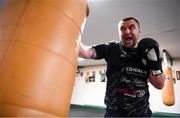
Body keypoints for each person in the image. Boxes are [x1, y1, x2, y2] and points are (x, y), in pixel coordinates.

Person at [79, 17, 165, 117]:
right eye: (122, 29)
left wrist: (155, 63)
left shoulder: (146, 52)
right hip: (115, 111)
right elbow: (87, 52)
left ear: (139, 31)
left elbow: (160, 85)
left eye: (131, 27)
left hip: (141, 112)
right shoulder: (112, 48)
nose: (126, 31)